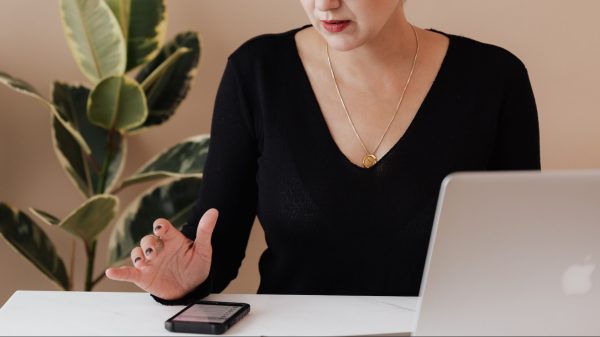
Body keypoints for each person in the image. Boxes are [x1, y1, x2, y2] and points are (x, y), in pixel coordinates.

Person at [106, 0, 540, 304]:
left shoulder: (494, 79)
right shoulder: (256, 72)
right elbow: (216, 243)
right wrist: (186, 279)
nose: (324, 4)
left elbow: (523, 249)